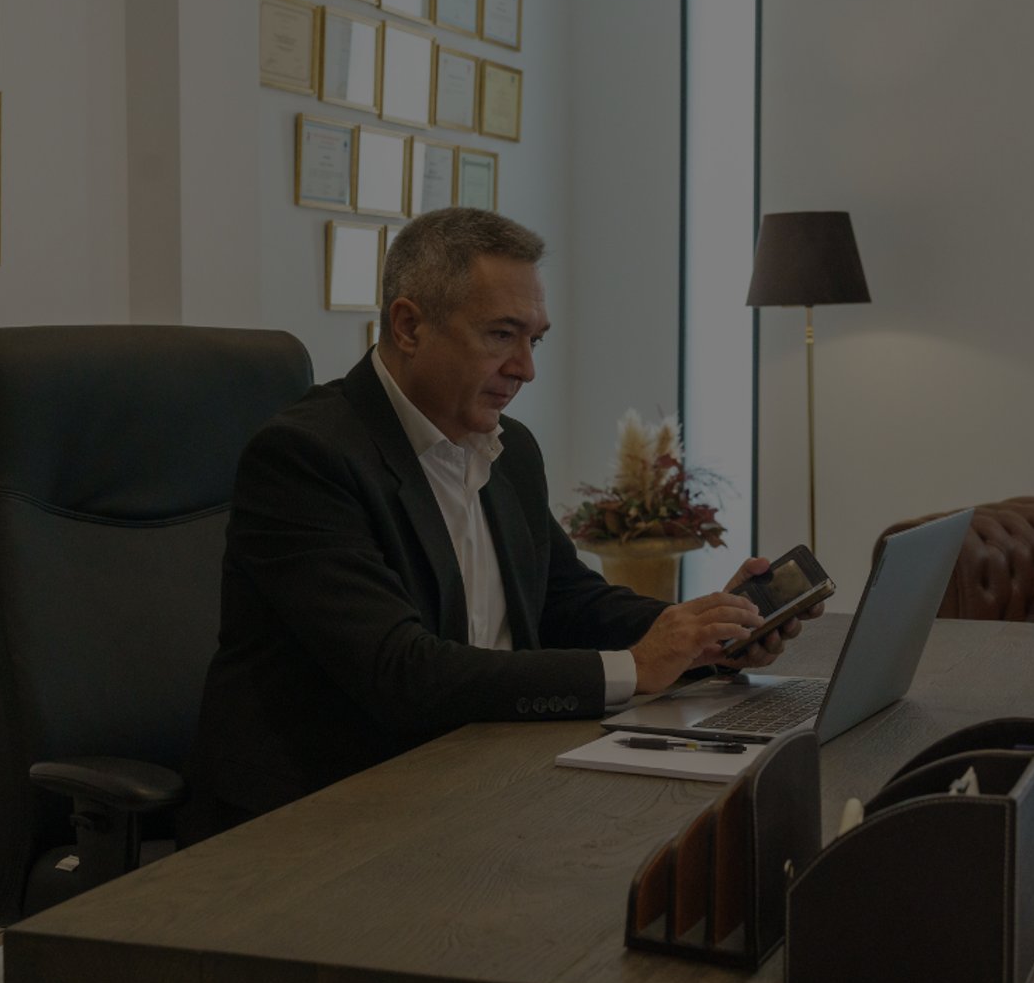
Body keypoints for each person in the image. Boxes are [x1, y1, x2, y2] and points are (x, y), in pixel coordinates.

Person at [184, 208, 820, 840]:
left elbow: (565, 600)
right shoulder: (306, 459)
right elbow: (401, 673)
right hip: (321, 813)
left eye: (534, 339)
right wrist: (636, 666)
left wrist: (700, 633)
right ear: (408, 325)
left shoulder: (508, 449)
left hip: (479, 775)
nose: (526, 367)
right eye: (501, 336)